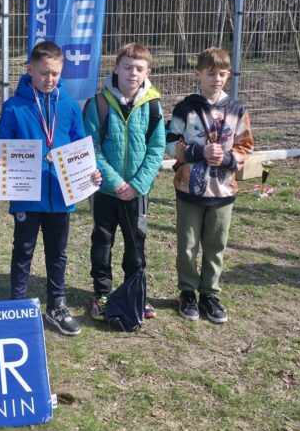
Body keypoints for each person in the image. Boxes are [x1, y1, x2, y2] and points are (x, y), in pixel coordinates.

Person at [0, 40, 102, 336]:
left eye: (55, 73)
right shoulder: (14, 107)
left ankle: (57, 305)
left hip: (61, 194)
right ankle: (17, 305)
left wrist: (91, 170)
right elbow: (1, 144)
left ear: (61, 71)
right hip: (27, 194)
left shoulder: (69, 105)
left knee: (58, 252)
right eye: (43, 72)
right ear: (30, 69)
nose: (49, 79)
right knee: (23, 250)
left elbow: (80, 145)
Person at [165, 46, 254, 324]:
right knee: (188, 245)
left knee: (216, 245)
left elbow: (246, 145)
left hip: (223, 190)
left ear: (228, 75)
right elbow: (169, 143)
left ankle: (210, 294)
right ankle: (187, 292)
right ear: (198, 74)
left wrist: (227, 158)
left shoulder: (237, 109)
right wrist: (197, 152)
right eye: (211, 73)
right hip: (189, 190)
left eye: (222, 74)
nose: (217, 79)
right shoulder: (185, 108)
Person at [83, 42, 166, 322]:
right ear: (116, 68)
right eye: (128, 67)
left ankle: (134, 291)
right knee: (102, 241)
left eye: (139, 68)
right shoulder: (98, 104)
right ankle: (102, 293)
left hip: (137, 192)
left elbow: (157, 148)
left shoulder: (153, 105)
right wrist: (115, 182)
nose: (133, 73)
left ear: (147, 72)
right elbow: (92, 148)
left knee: (135, 243)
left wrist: (138, 184)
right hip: (106, 191)